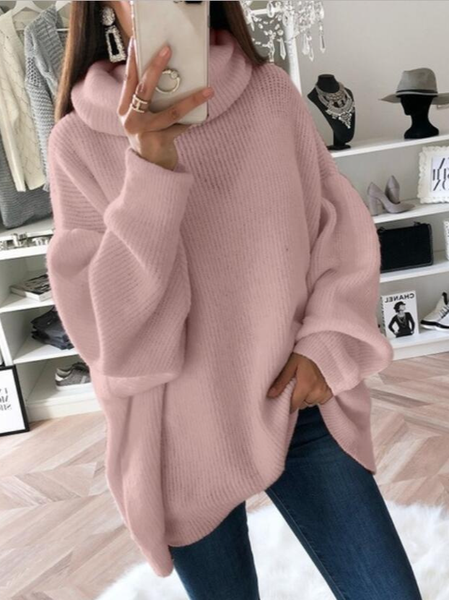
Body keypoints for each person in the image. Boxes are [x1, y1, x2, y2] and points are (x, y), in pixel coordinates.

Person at [46, 2, 423, 598]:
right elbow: (112, 334)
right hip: (180, 438)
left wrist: (325, 345)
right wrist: (149, 168)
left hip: (296, 404)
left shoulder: (269, 95)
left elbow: (338, 230)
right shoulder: (77, 141)